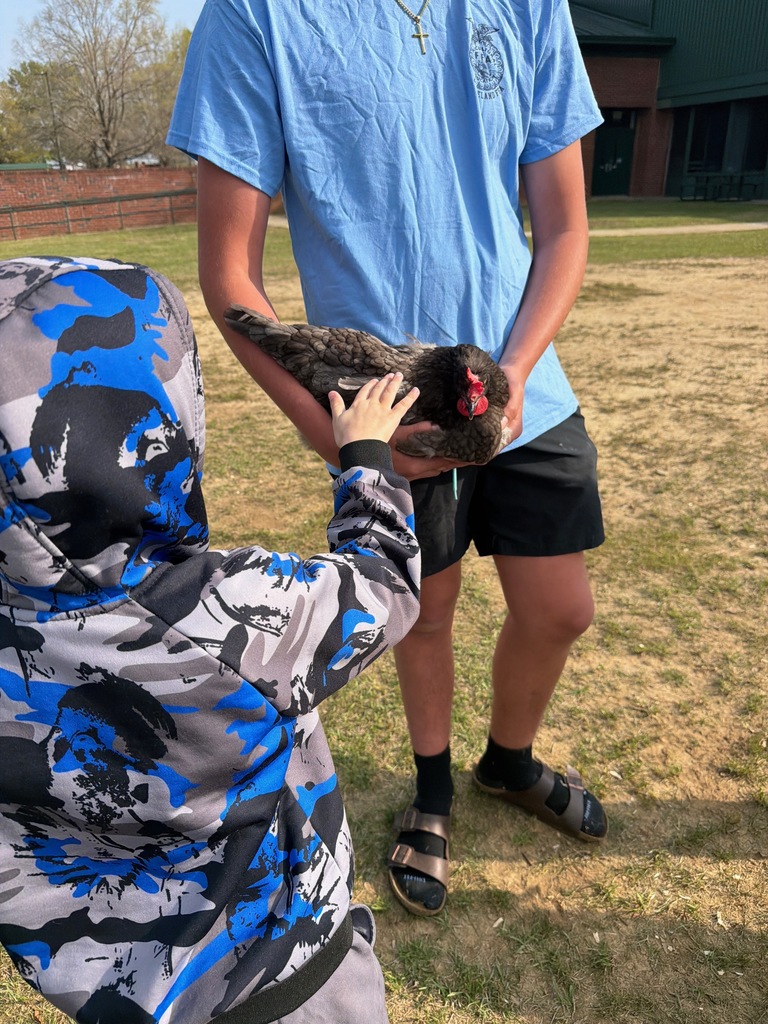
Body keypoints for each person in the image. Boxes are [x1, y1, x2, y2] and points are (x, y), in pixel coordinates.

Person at [167, 0, 609, 918]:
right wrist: (333, 428)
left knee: (562, 610)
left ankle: (509, 761)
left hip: (521, 380)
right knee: (426, 613)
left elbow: (564, 229)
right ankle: (436, 788)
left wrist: (518, 368)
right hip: (391, 404)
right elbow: (231, 279)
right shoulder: (253, 17)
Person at [0, 255, 421, 1022]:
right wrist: (366, 458)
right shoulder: (206, 611)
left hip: (111, 991)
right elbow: (382, 585)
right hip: (286, 981)